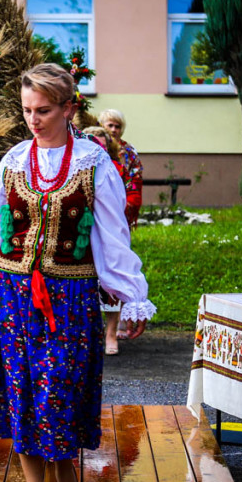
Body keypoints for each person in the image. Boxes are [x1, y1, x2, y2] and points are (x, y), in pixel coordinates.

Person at [0, 63, 154, 482]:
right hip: (13, 295)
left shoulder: (93, 162)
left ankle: (65, 473)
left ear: (69, 108)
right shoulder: (12, 162)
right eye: (27, 109)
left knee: (60, 390)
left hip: (70, 297)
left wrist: (132, 294)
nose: (33, 119)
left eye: (43, 110)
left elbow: (112, 234)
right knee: (24, 393)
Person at [97, 108, 144, 354]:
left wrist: (123, 207)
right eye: (109, 126)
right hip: (88, 227)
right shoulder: (90, 151)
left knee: (114, 275)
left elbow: (134, 185)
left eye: (117, 126)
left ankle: (111, 333)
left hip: (116, 224)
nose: (113, 130)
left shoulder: (127, 155)